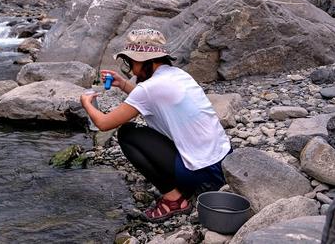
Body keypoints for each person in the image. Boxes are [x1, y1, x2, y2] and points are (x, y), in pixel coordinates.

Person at [80, 29, 232, 222]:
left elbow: (103, 123)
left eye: (131, 63)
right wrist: (124, 85)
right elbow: (150, 98)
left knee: (128, 134)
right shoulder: (177, 74)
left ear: (147, 62)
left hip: (202, 172)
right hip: (222, 162)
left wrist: (86, 103)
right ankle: (188, 185)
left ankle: (174, 200)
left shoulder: (148, 89)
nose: (132, 71)